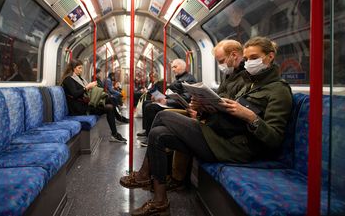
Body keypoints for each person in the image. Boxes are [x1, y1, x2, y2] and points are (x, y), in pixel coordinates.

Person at [120, 37, 293, 215]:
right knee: (158, 134)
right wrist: (205, 107)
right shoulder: (250, 84)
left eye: (253, 58)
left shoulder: (279, 91)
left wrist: (250, 117)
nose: (248, 63)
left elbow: (274, 138)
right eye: (247, 59)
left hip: (237, 148)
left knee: (163, 115)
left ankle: (143, 175)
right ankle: (160, 201)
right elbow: (229, 115)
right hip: (221, 135)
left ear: (270, 57)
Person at [169, 39, 246, 189]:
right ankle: (171, 177)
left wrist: (202, 113)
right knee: (164, 124)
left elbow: (234, 109)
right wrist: (201, 107)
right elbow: (220, 101)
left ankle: (173, 179)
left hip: (224, 128)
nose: (220, 66)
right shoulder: (229, 77)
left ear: (234, 55)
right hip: (213, 119)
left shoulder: (246, 79)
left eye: (222, 61)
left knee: (168, 120)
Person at [61, 59, 127, 143]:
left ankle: (115, 133)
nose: (81, 70)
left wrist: (91, 87)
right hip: (79, 108)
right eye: (79, 68)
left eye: (81, 68)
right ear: (73, 68)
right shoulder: (68, 80)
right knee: (109, 102)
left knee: (110, 103)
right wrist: (87, 87)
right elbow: (75, 94)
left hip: (86, 104)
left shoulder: (79, 78)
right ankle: (117, 122)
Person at [137, 59, 196, 145]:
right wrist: (160, 98)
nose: (173, 69)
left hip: (179, 105)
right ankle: (147, 131)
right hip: (172, 101)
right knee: (147, 102)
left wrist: (167, 101)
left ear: (183, 67)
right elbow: (172, 94)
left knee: (151, 107)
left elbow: (186, 98)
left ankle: (150, 137)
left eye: (175, 67)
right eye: (172, 67)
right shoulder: (178, 78)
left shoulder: (189, 79)